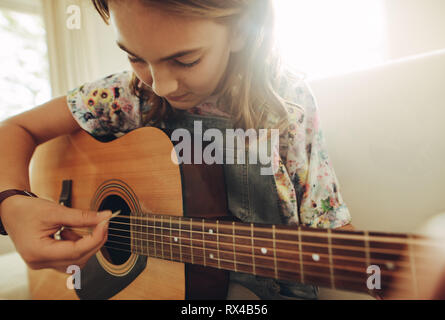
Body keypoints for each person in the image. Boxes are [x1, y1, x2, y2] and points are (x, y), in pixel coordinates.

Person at [0, 0, 353, 299]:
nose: (162, 85)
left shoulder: (286, 106)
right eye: (135, 58)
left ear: (242, 29)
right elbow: (14, 129)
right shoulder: (131, 95)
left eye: (185, 60)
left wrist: (389, 275)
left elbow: (331, 231)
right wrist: (11, 203)